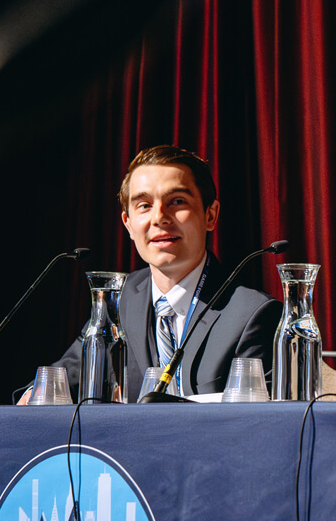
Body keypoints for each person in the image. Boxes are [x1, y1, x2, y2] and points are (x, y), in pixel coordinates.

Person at [21, 145, 280, 402]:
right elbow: (63, 380)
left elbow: (255, 422)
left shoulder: (253, 314)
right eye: (144, 205)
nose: (159, 217)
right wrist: (36, 395)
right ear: (129, 224)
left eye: (177, 201)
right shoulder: (118, 301)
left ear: (210, 215)